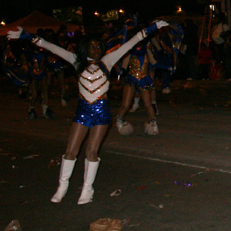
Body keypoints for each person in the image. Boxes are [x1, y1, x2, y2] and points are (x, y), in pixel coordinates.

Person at [7, 20, 167, 204]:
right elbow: (50, 47)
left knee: (91, 151)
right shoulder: (76, 61)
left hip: (101, 113)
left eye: (98, 46)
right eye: (91, 47)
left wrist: (152, 28)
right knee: (70, 151)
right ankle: (62, 187)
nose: (95, 49)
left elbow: (131, 42)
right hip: (82, 112)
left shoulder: (108, 60)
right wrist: (26, 36)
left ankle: (87, 189)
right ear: (85, 48)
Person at [116, 30, 160, 136]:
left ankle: (153, 123)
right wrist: (120, 71)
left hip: (144, 79)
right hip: (131, 80)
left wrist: (168, 67)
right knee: (126, 105)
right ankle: (119, 120)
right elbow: (124, 67)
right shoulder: (129, 52)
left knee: (148, 103)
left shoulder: (146, 50)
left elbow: (155, 63)